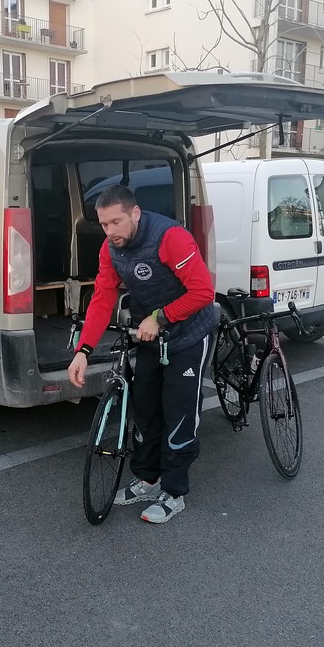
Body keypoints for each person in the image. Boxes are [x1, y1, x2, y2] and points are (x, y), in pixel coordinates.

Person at [68, 185, 217, 524]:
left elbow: (203, 292)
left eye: (116, 222)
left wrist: (160, 317)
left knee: (179, 413)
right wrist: (83, 351)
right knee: (146, 409)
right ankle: (149, 480)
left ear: (135, 213)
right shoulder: (110, 248)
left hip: (188, 336)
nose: (110, 231)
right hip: (150, 338)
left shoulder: (170, 237)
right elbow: (102, 297)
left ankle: (174, 491)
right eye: (104, 224)